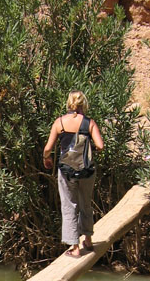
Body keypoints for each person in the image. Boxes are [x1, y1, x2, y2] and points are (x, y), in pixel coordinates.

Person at [42, 90, 104, 258]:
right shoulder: (89, 123)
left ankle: (75, 247)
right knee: (86, 203)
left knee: (69, 206)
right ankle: (89, 240)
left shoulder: (59, 123)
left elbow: (48, 148)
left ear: (69, 103)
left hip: (66, 170)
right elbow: (100, 145)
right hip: (87, 170)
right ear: (84, 104)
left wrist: (46, 158)